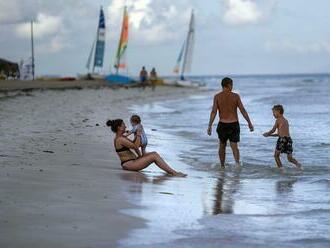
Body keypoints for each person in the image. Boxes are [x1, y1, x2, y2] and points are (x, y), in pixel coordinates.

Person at [107, 119, 186, 176]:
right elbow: (135, 146)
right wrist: (138, 134)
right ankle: (173, 172)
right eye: (124, 125)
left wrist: (140, 154)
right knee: (154, 156)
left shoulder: (122, 137)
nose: (125, 126)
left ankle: (171, 171)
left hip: (132, 162)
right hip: (129, 164)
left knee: (154, 153)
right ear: (119, 128)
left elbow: (134, 145)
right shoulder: (120, 139)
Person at [207, 77, 254, 168]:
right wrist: (249, 122)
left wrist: (210, 125)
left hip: (222, 124)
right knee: (234, 147)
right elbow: (242, 110)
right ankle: (237, 165)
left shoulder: (217, 96)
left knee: (222, 146)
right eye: (231, 85)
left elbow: (213, 112)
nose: (232, 86)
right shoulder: (236, 96)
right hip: (234, 124)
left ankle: (222, 166)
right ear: (228, 85)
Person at [263, 105, 302, 170]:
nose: (273, 115)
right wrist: (269, 135)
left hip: (282, 140)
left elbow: (273, 130)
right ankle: (299, 166)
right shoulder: (286, 121)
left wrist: (267, 133)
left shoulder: (278, 120)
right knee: (290, 158)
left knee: (276, 156)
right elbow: (280, 134)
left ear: (278, 111)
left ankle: (281, 169)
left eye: (273, 112)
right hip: (288, 140)